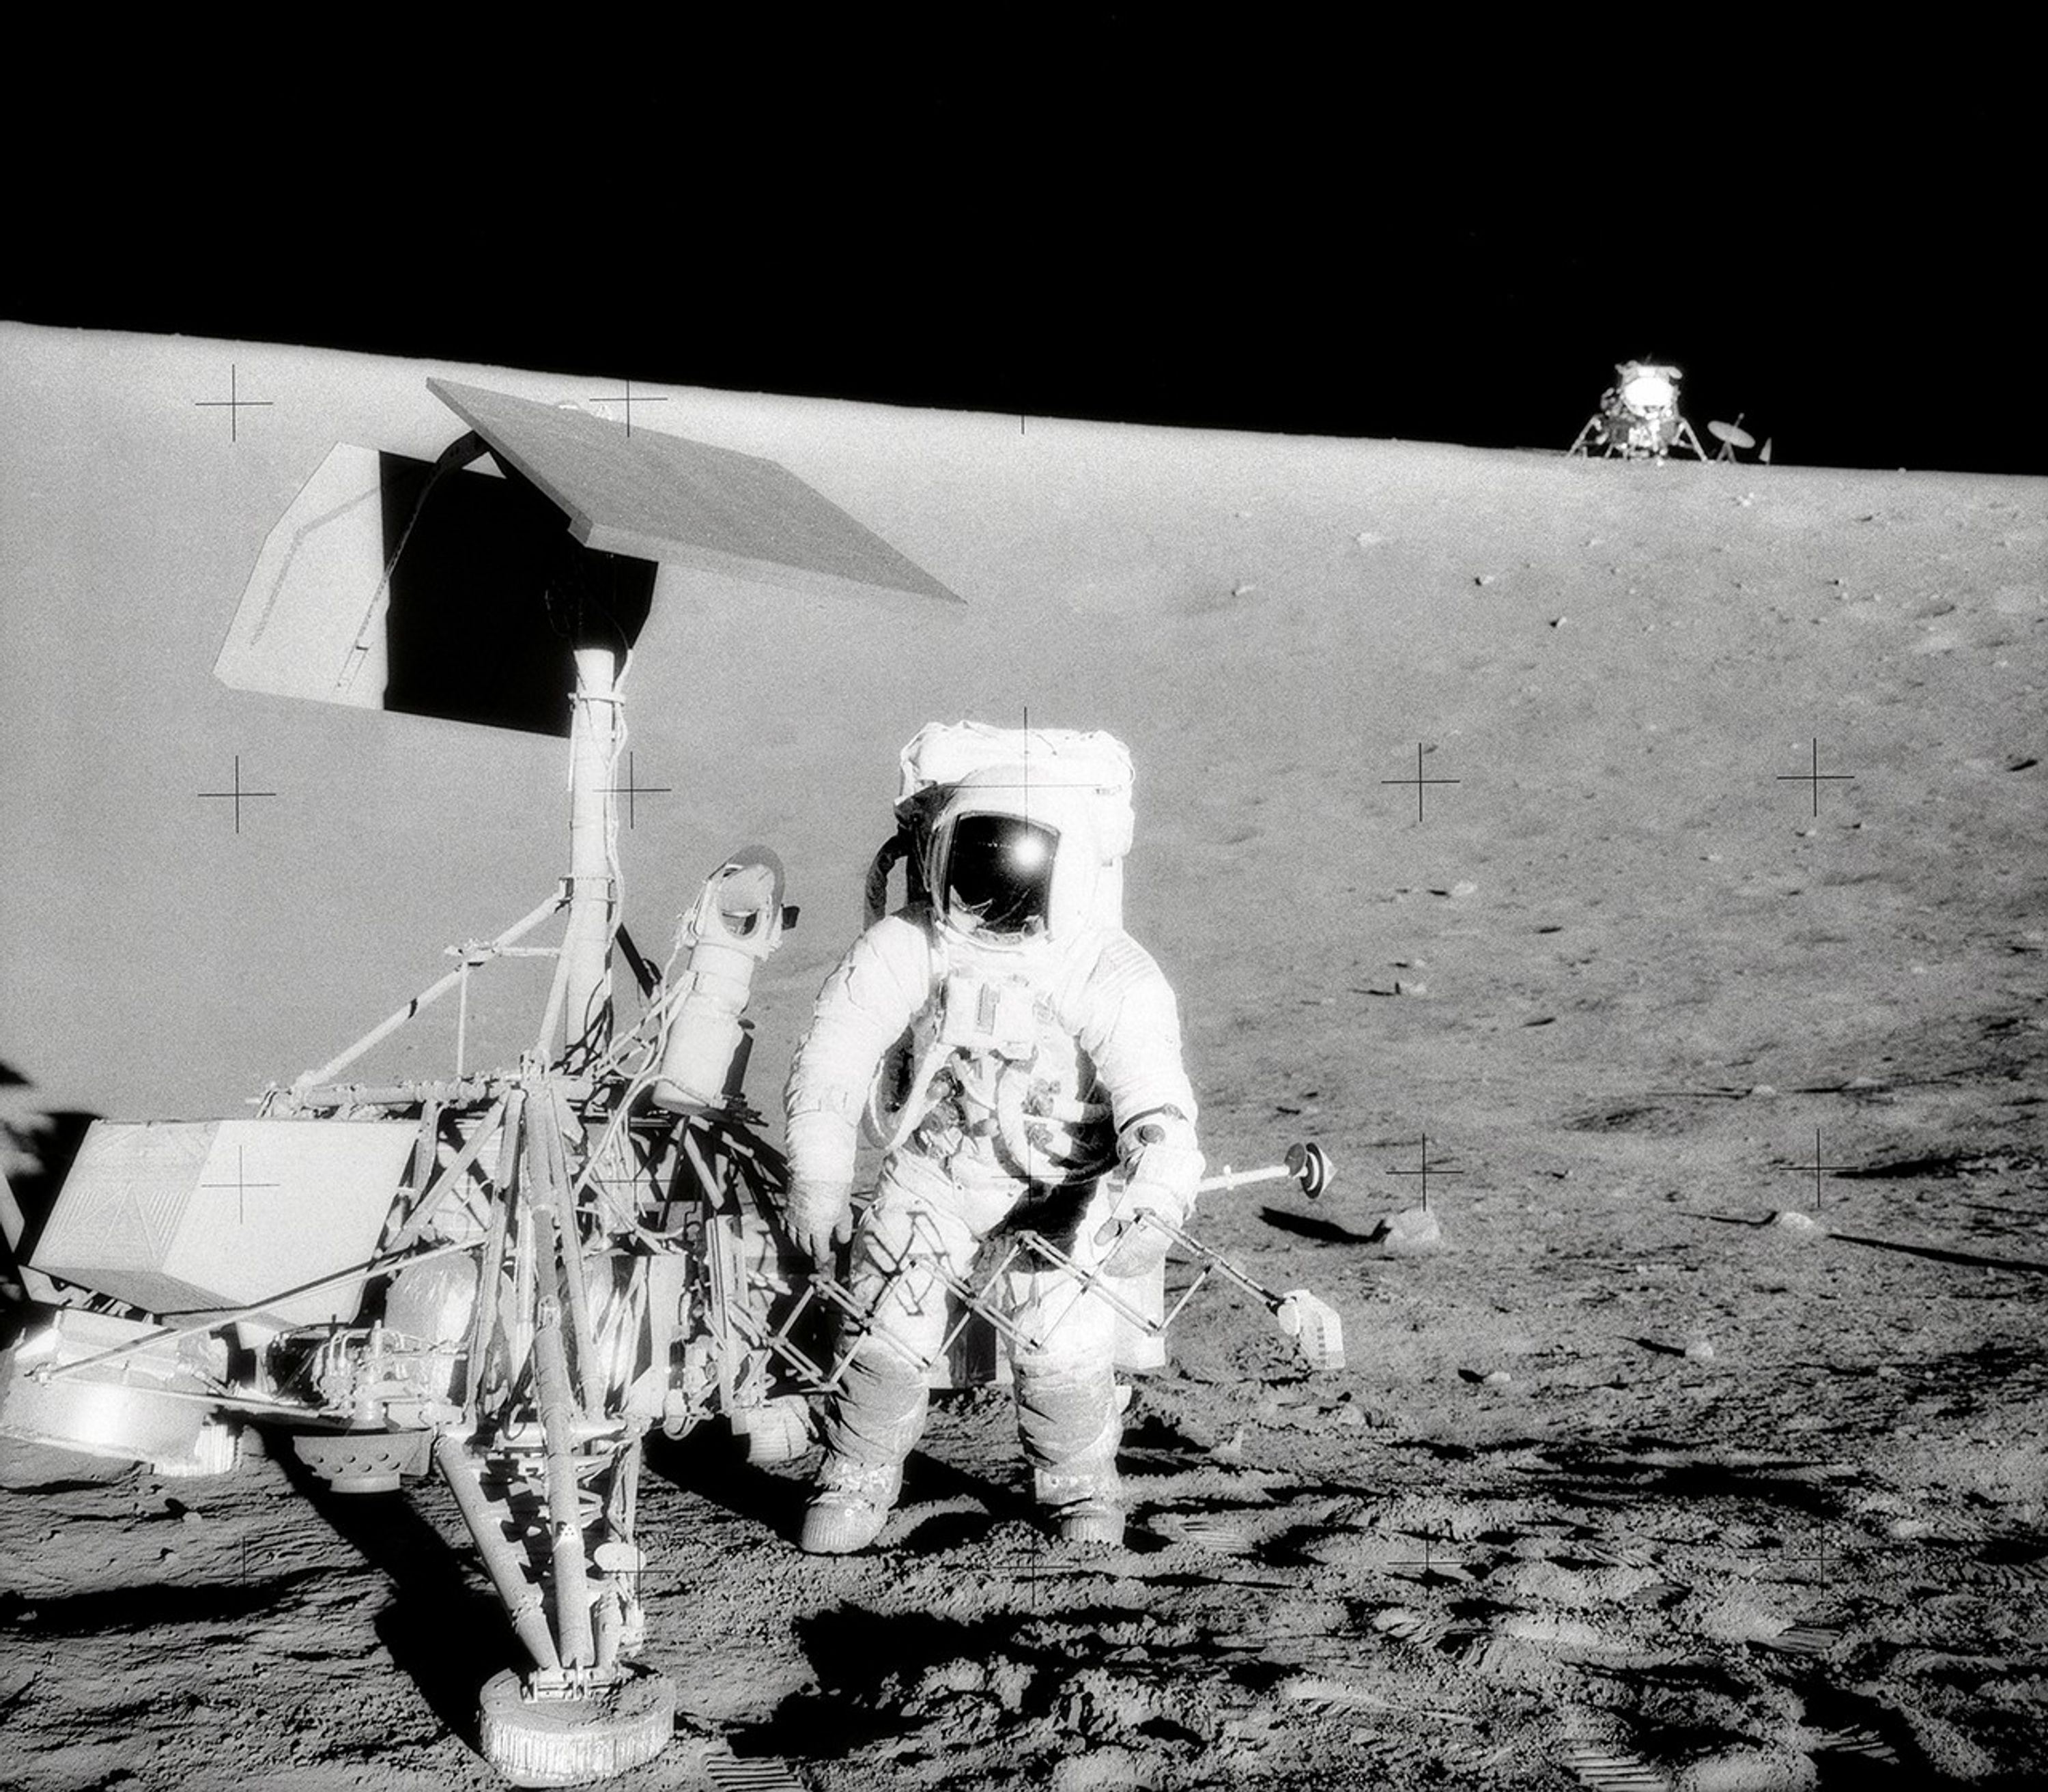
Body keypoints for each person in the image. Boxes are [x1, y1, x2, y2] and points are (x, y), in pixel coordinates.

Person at [781, 748, 1203, 1553]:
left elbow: (1156, 1100)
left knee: (1063, 1336)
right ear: (941, 853)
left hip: (1064, 1187)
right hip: (936, 1168)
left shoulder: (1106, 968)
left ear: (1070, 866)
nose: (996, 893)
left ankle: (1078, 1490)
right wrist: (821, 1176)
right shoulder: (912, 945)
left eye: (1021, 868)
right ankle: (857, 1474)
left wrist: (1153, 1200)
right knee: (886, 1313)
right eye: (977, 864)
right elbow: (833, 1055)